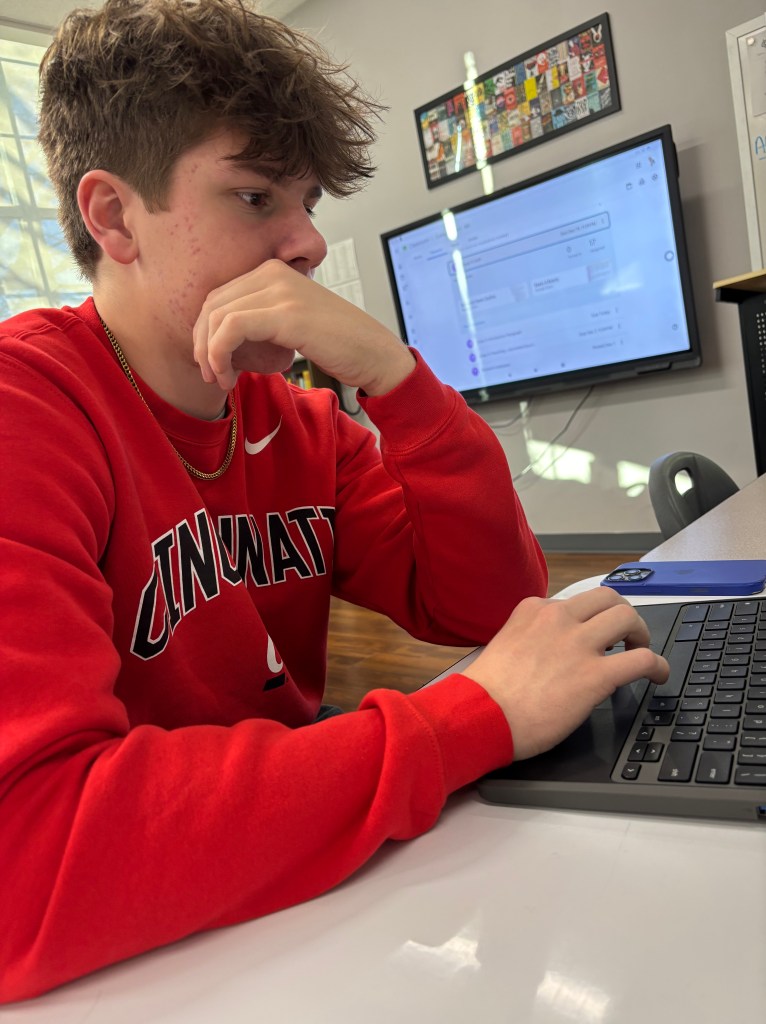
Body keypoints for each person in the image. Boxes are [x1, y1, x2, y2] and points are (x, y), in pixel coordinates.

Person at [0, 0, 668, 1003]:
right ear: (113, 216)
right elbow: (26, 864)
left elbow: (487, 605)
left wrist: (397, 378)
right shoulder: (25, 411)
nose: (309, 241)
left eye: (308, 202)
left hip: (281, 910)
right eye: (255, 196)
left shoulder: (300, 424)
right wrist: (462, 722)